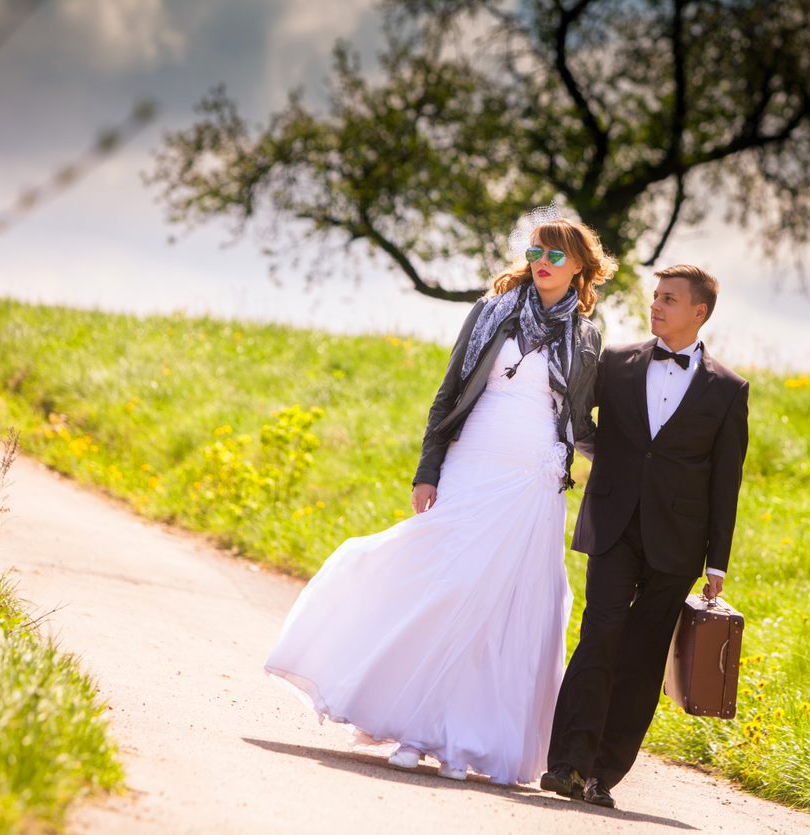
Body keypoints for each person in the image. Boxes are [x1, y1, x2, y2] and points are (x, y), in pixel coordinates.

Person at [263, 208, 616, 785]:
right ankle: (411, 727)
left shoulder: (587, 337)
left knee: (502, 608)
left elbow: (579, 420)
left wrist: (636, 463)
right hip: (471, 465)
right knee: (446, 587)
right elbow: (448, 393)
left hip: (532, 484)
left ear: (580, 267)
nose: (543, 264)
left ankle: (458, 740)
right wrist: (426, 472)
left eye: (555, 255)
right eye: (534, 252)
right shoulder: (491, 312)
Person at [541, 264, 750, 808]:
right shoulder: (615, 363)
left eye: (670, 299)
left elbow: (727, 481)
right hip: (613, 524)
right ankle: (565, 763)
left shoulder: (729, 390)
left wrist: (717, 562)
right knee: (600, 635)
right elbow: (576, 424)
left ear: (698, 312)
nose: (656, 306)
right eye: (655, 297)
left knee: (642, 654)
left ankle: (602, 776)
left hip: (678, 542)